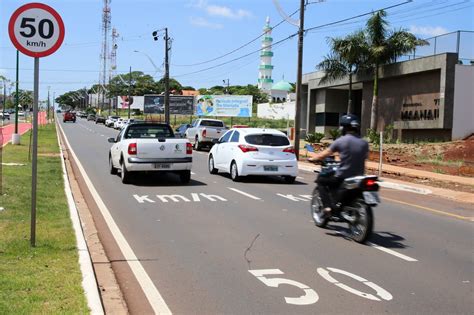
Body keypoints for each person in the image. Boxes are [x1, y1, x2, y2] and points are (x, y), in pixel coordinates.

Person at [308, 114, 369, 213]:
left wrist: (313, 158)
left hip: (343, 176)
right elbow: (363, 157)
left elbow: (325, 154)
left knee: (321, 180)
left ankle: (328, 207)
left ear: (344, 128)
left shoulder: (341, 141)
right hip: (359, 177)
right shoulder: (364, 143)